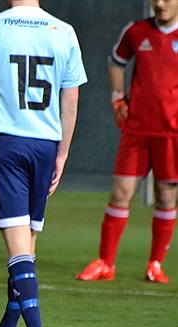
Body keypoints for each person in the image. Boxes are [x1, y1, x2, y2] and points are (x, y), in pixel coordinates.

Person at [0, 0, 88, 327]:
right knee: (26, 246)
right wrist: (62, 153)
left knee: (18, 247)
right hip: (45, 145)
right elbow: (70, 100)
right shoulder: (64, 32)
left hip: (8, 144)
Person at [77, 0, 178, 284]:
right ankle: (105, 263)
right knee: (121, 192)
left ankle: (155, 265)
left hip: (172, 132)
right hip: (137, 130)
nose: (159, 4)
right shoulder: (136, 31)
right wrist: (117, 96)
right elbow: (116, 61)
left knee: (166, 197)